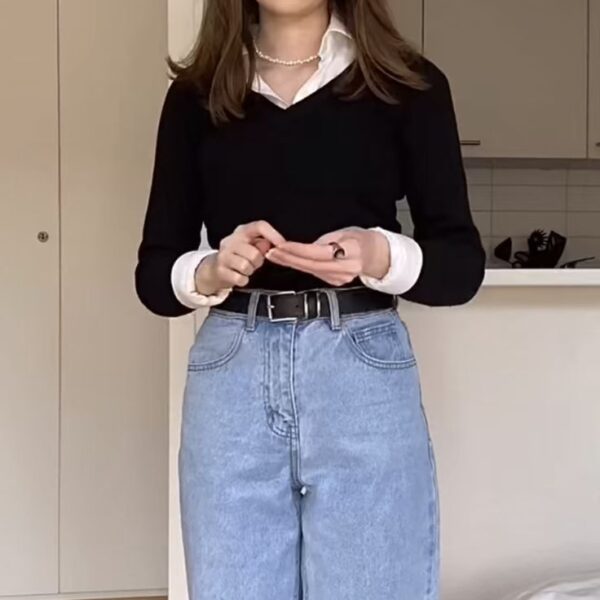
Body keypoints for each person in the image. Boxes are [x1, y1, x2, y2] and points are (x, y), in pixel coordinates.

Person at [134, 0, 486, 598]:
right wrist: (212, 269)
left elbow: (460, 266)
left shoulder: (408, 85)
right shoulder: (196, 97)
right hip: (231, 375)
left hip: (362, 372)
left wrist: (379, 254)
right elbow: (153, 277)